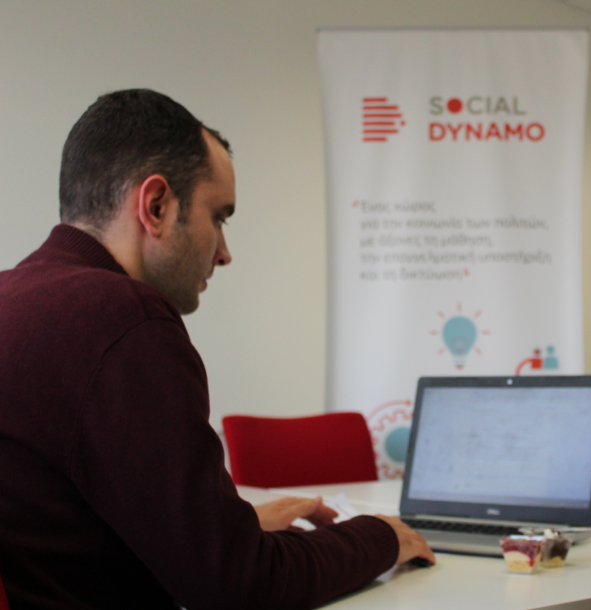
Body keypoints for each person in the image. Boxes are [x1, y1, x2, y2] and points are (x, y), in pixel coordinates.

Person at [0, 89, 434, 610]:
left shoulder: (13, 297)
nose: (224, 253)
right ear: (156, 206)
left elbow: (69, 529)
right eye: (219, 216)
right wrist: (379, 537)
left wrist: (231, 527)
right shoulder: (122, 317)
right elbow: (239, 584)